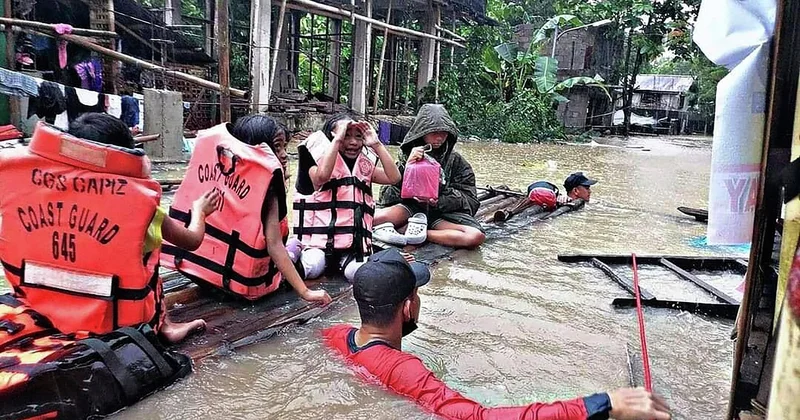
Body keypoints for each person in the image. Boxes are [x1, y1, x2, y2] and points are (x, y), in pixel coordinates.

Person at [323, 248, 673, 420]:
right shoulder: (405, 368)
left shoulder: (336, 336)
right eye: (417, 294)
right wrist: (601, 403)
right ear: (406, 308)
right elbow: (479, 418)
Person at [0, 113, 211, 344]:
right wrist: (199, 211)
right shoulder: (141, 204)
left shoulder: (24, 185)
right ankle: (165, 327)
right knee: (148, 253)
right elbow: (191, 240)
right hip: (114, 323)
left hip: (38, 308)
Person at [161, 115, 331, 305]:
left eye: (284, 147)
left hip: (198, 270)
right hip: (242, 286)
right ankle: (296, 249)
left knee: (293, 244)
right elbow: (274, 245)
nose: (284, 154)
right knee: (301, 249)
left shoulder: (217, 167)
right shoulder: (268, 188)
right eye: (277, 147)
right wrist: (306, 292)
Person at [292, 112, 401, 282]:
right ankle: (292, 252)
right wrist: (337, 140)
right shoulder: (315, 161)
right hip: (318, 245)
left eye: (358, 136)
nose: (353, 142)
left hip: (352, 247)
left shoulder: (364, 165)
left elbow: (394, 178)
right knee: (312, 266)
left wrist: (377, 144)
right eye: (346, 136)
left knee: (359, 274)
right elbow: (321, 178)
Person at [373, 104, 485, 249]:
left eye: (444, 133)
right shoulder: (407, 155)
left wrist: (438, 199)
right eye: (434, 133)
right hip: (408, 210)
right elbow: (386, 195)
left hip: (440, 216)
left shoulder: (456, 161)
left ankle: (415, 233)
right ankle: (408, 228)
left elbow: (471, 200)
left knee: (475, 236)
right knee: (370, 219)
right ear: (422, 132)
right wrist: (407, 168)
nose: (439, 138)